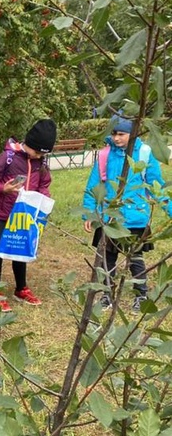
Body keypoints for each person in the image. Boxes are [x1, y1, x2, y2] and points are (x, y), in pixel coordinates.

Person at [83, 114, 168, 311]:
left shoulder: (145, 154)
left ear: (133, 134)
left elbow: (157, 186)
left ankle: (141, 294)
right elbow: (93, 185)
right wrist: (89, 213)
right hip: (109, 219)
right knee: (106, 260)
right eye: (113, 134)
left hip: (135, 219)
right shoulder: (105, 155)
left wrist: (168, 208)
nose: (117, 138)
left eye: (121, 134)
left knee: (135, 259)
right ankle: (107, 294)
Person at [0, 119, 55, 311]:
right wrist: (2, 188)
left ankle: (21, 288)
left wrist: (44, 199)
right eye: (36, 152)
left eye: (42, 154)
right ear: (29, 143)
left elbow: (43, 184)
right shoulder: (7, 157)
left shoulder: (41, 162)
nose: (38, 156)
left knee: (21, 251)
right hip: (1, 213)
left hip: (24, 215)